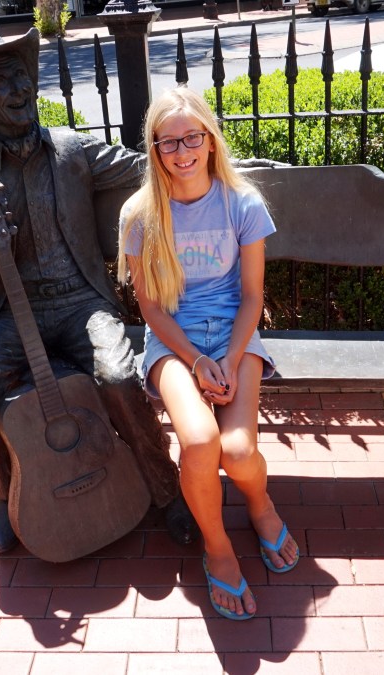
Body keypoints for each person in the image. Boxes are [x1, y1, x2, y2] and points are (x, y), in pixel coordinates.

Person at [0, 25, 198, 555]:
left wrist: (216, 170)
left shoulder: (71, 148)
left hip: (81, 303)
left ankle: (166, 488)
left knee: (119, 377)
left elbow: (147, 168)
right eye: (3, 82)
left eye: (22, 76)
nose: (20, 89)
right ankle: (5, 491)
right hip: (15, 314)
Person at [119, 87, 300, 621]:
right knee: (199, 442)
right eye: (168, 141)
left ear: (211, 140)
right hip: (173, 342)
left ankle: (261, 505)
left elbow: (252, 297)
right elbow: (151, 308)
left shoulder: (241, 203)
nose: (182, 151)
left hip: (233, 336)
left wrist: (231, 357)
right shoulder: (140, 216)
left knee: (238, 452)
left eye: (192, 137)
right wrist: (196, 361)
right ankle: (218, 547)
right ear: (154, 148)